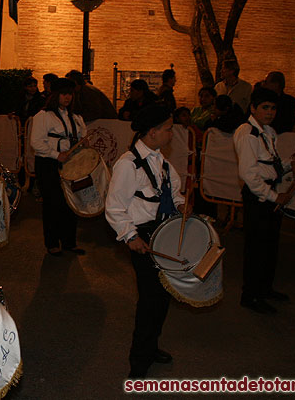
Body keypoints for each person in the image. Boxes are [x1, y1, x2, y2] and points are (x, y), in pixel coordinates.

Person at [105, 104, 186, 378]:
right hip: (143, 236)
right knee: (149, 301)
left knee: (162, 298)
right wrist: (131, 237)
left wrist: (181, 204)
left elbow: (173, 191)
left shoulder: (160, 160)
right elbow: (114, 206)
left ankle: (151, 347)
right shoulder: (128, 164)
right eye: (168, 129)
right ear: (152, 132)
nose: (172, 134)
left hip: (163, 232)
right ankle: (138, 361)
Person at [233, 87, 295, 314]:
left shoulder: (269, 131)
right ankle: (250, 295)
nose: (270, 112)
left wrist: (289, 163)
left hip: (270, 194)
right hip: (258, 196)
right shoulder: (247, 133)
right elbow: (249, 174)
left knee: (270, 244)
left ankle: (264, 288)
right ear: (253, 108)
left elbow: (270, 162)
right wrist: (273, 197)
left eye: (273, 108)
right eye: (265, 107)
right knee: (256, 247)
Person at [30, 78, 87, 256]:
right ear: (55, 95)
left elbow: (83, 137)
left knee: (72, 202)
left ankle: (70, 242)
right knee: (53, 203)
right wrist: (56, 154)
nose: (67, 97)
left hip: (71, 163)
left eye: (70, 93)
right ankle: (52, 243)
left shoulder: (76, 117)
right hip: (48, 164)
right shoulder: (43, 116)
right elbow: (36, 143)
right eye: (63, 93)